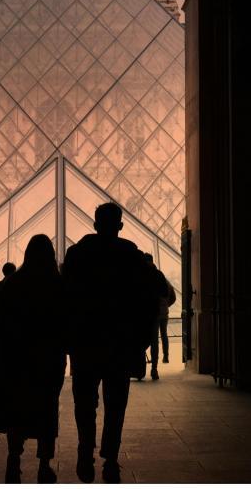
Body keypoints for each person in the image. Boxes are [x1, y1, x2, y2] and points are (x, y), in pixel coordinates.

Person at [62, 202, 159, 483]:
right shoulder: (131, 255)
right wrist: (141, 340)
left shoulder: (77, 254)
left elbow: (65, 299)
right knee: (116, 404)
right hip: (120, 343)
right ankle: (111, 458)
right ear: (120, 226)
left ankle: (85, 450)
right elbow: (154, 294)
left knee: (84, 402)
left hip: (85, 342)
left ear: (94, 224)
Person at [0, 235, 66, 484]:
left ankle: (13, 459)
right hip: (48, 360)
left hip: (16, 359)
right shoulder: (58, 286)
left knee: (17, 410)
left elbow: (0, 325)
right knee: (47, 410)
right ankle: (45, 464)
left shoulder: (11, 284)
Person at [138, 253, 170, 382]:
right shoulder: (158, 274)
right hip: (155, 311)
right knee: (154, 341)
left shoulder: (139, 274)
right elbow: (165, 292)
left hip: (142, 313)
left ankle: (139, 368)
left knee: (142, 340)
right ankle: (154, 368)